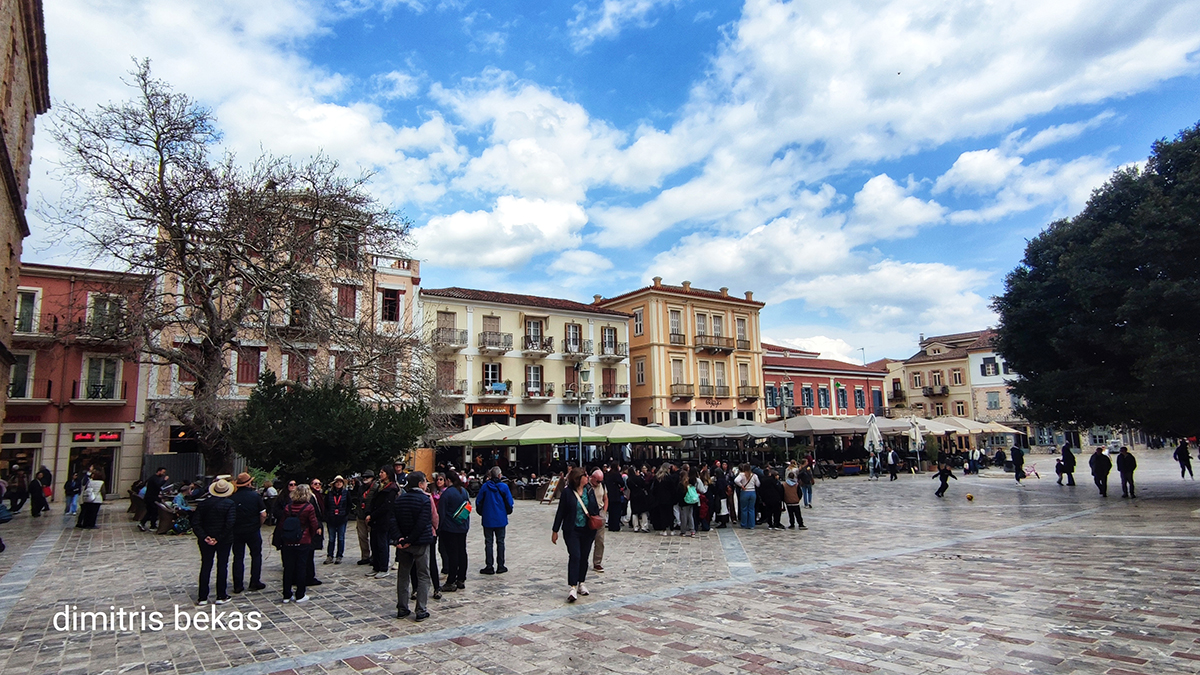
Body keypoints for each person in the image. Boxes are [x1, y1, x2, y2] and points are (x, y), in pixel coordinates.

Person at [551, 467, 600, 603]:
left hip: (587, 530)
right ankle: (572, 586)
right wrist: (555, 530)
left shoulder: (589, 491)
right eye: (585, 475)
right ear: (578, 478)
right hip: (572, 529)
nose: (587, 477)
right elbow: (561, 512)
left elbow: (595, 508)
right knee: (575, 555)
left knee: (584, 557)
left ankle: (581, 583)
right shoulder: (567, 493)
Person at [391, 471, 434, 622]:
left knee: (403, 575)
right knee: (423, 575)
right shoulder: (424, 500)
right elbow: (422, 523)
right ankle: (421, 609)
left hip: (403, 543)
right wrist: (411, 539)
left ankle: (402, 608)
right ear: (421, 484)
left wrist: (400, 538)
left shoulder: (400, 499)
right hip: (419, 542)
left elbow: (393, 520)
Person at [192, 478, 238, 606]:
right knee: (222, 565)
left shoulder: (203, 504)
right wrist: (218, 537)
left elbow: (196, 523)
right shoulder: (229, 504)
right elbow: (230, 523)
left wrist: (205, 536)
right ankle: (221, 595)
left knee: (206, 565)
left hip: (206, 539)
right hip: (224, 539)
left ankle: (202, 596)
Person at [279, 484, 321, 604]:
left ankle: (286, 594)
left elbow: (282, 523)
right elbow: (313, 524)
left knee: (288, 568)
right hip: (303, 540)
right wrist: (310, 535)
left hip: (288, 541)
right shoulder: (309, 507)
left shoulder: (288, 507)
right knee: (301, 567)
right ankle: (300, 594)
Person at [229, 473, 267, 594]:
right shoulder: (255, 496)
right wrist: (259, 525)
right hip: (253, 529)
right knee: (256, 555)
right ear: (249, 483)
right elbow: (263, 514)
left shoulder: (232, 498)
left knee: (238, 557)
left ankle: (238, 584)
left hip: (237, 531)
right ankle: (255, 581)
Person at [475, 466, 514, 575]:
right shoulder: (504, 487)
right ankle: (500, 565)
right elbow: (509, 502)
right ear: (500, 475)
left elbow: (478, 501)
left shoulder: (485, 487)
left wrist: (482, 512)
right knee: (500, 542)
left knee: (488, 542)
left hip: (488, 518)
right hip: (500, 518)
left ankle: (489, 566)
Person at [438, 471, 471, 592]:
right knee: (462, 552)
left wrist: (439, 528)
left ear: (448, 480)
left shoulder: (447, 494)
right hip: (462, 526)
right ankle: (461, 578)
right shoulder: (464, 491)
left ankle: (451, 580)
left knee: (452, 554)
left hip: (449, 528)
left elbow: (441, 513)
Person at [366, 468, 399, 579]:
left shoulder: (392, 488)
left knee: (382, 544)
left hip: (384, 520)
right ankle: (376, 566)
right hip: (375, 520)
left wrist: (373, 515)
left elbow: (386, 506)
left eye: (382, 472)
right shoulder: (379, 486)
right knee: (374, 544)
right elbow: (373, 501)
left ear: (388, 474)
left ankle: (383, 568)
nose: (380, 474)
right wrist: (369, 513)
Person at [324, 476, 350, 564]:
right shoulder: (329, 493)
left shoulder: (346, 493)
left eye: (340, 482)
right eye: (337, 482)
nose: (339, 483)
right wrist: (327, 516)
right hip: (331, 519)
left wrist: (345, 514)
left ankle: (339, 555)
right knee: (331, 538)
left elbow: (349, 505)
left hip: (342, 518)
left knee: (341, 538)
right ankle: (330, 555)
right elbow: (326, 506)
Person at [353, 471, 376, 565]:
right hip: (361, 515)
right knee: (362, 537)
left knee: (373, 537)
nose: (365, 479)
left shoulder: (376, 488)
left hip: (371, 516)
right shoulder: (361, 488)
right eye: (364, 477)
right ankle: (365, 556)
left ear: (372, 478)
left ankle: (374, 556)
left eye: (368, 477)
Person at [588, 470, 608, 570]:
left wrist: (604, 511)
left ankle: (597, 562)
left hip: (599, 512)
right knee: (587, 539)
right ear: (592, 478)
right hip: (589, 514)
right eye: (597, 481)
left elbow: (606, 498)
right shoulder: (586, 486)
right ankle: (583, 559)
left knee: (600, 539)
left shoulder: (602, 485)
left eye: (600, 481)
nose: (599, 483)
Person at [139, 467, 169, 532]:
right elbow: (158, 485)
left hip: (153, 497)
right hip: (150, 498)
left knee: (153, 511)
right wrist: (165, 480)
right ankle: (145, 523)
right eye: (163, 472)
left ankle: (151, 524)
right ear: (159, 471)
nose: (164, 474)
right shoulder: (154, 478)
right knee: (152, 511)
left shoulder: (155, 478)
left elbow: (156, 488)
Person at [733, 464, 759, 529]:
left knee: (744, 509)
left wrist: (741, 485)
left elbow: (736, 480)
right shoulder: (754, 475)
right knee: (751, 509)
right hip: (752, 492)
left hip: (745, 492)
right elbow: (758, 484)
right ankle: (751, 524)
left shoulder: (742, 475)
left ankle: (744, 524)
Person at [627, 465, 651, 532]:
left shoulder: (628, 480)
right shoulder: (639, 478)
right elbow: (644, 485)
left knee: (635, 512)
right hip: (641, 495)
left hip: (633, 496)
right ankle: (644, 526)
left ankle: (636, 526)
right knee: (643, 511)